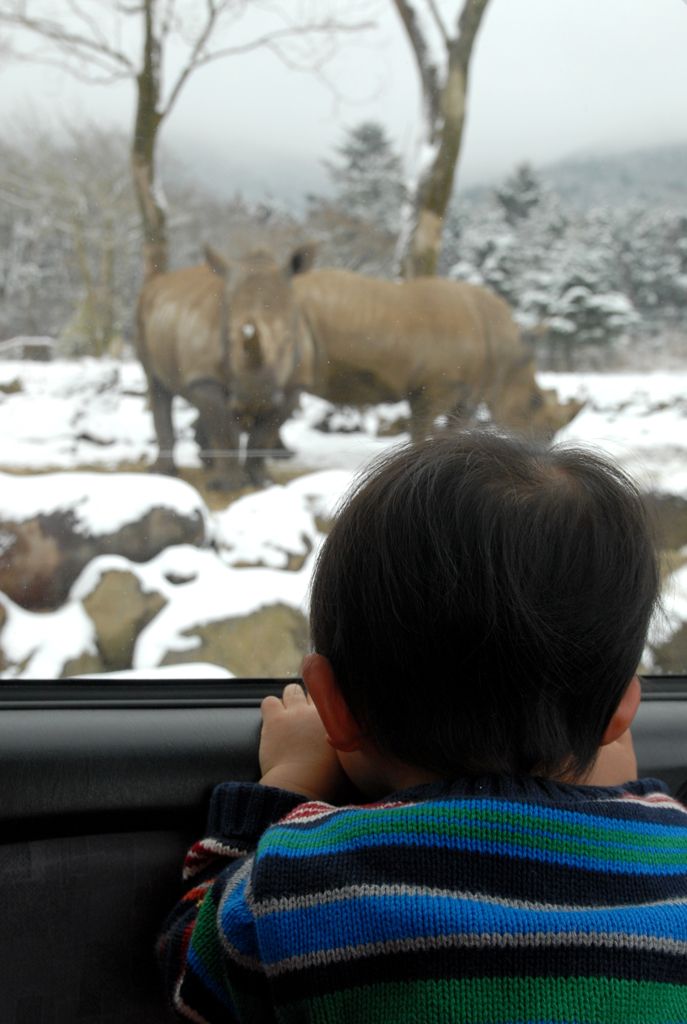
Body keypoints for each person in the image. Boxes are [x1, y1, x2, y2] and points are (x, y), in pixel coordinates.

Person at [157, 429, 687, 1024]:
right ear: (621, 711)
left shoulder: (298, 884)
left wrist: (288, 787)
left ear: (331, 706)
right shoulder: (677, 864)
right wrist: (630, 797)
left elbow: (191, 971)